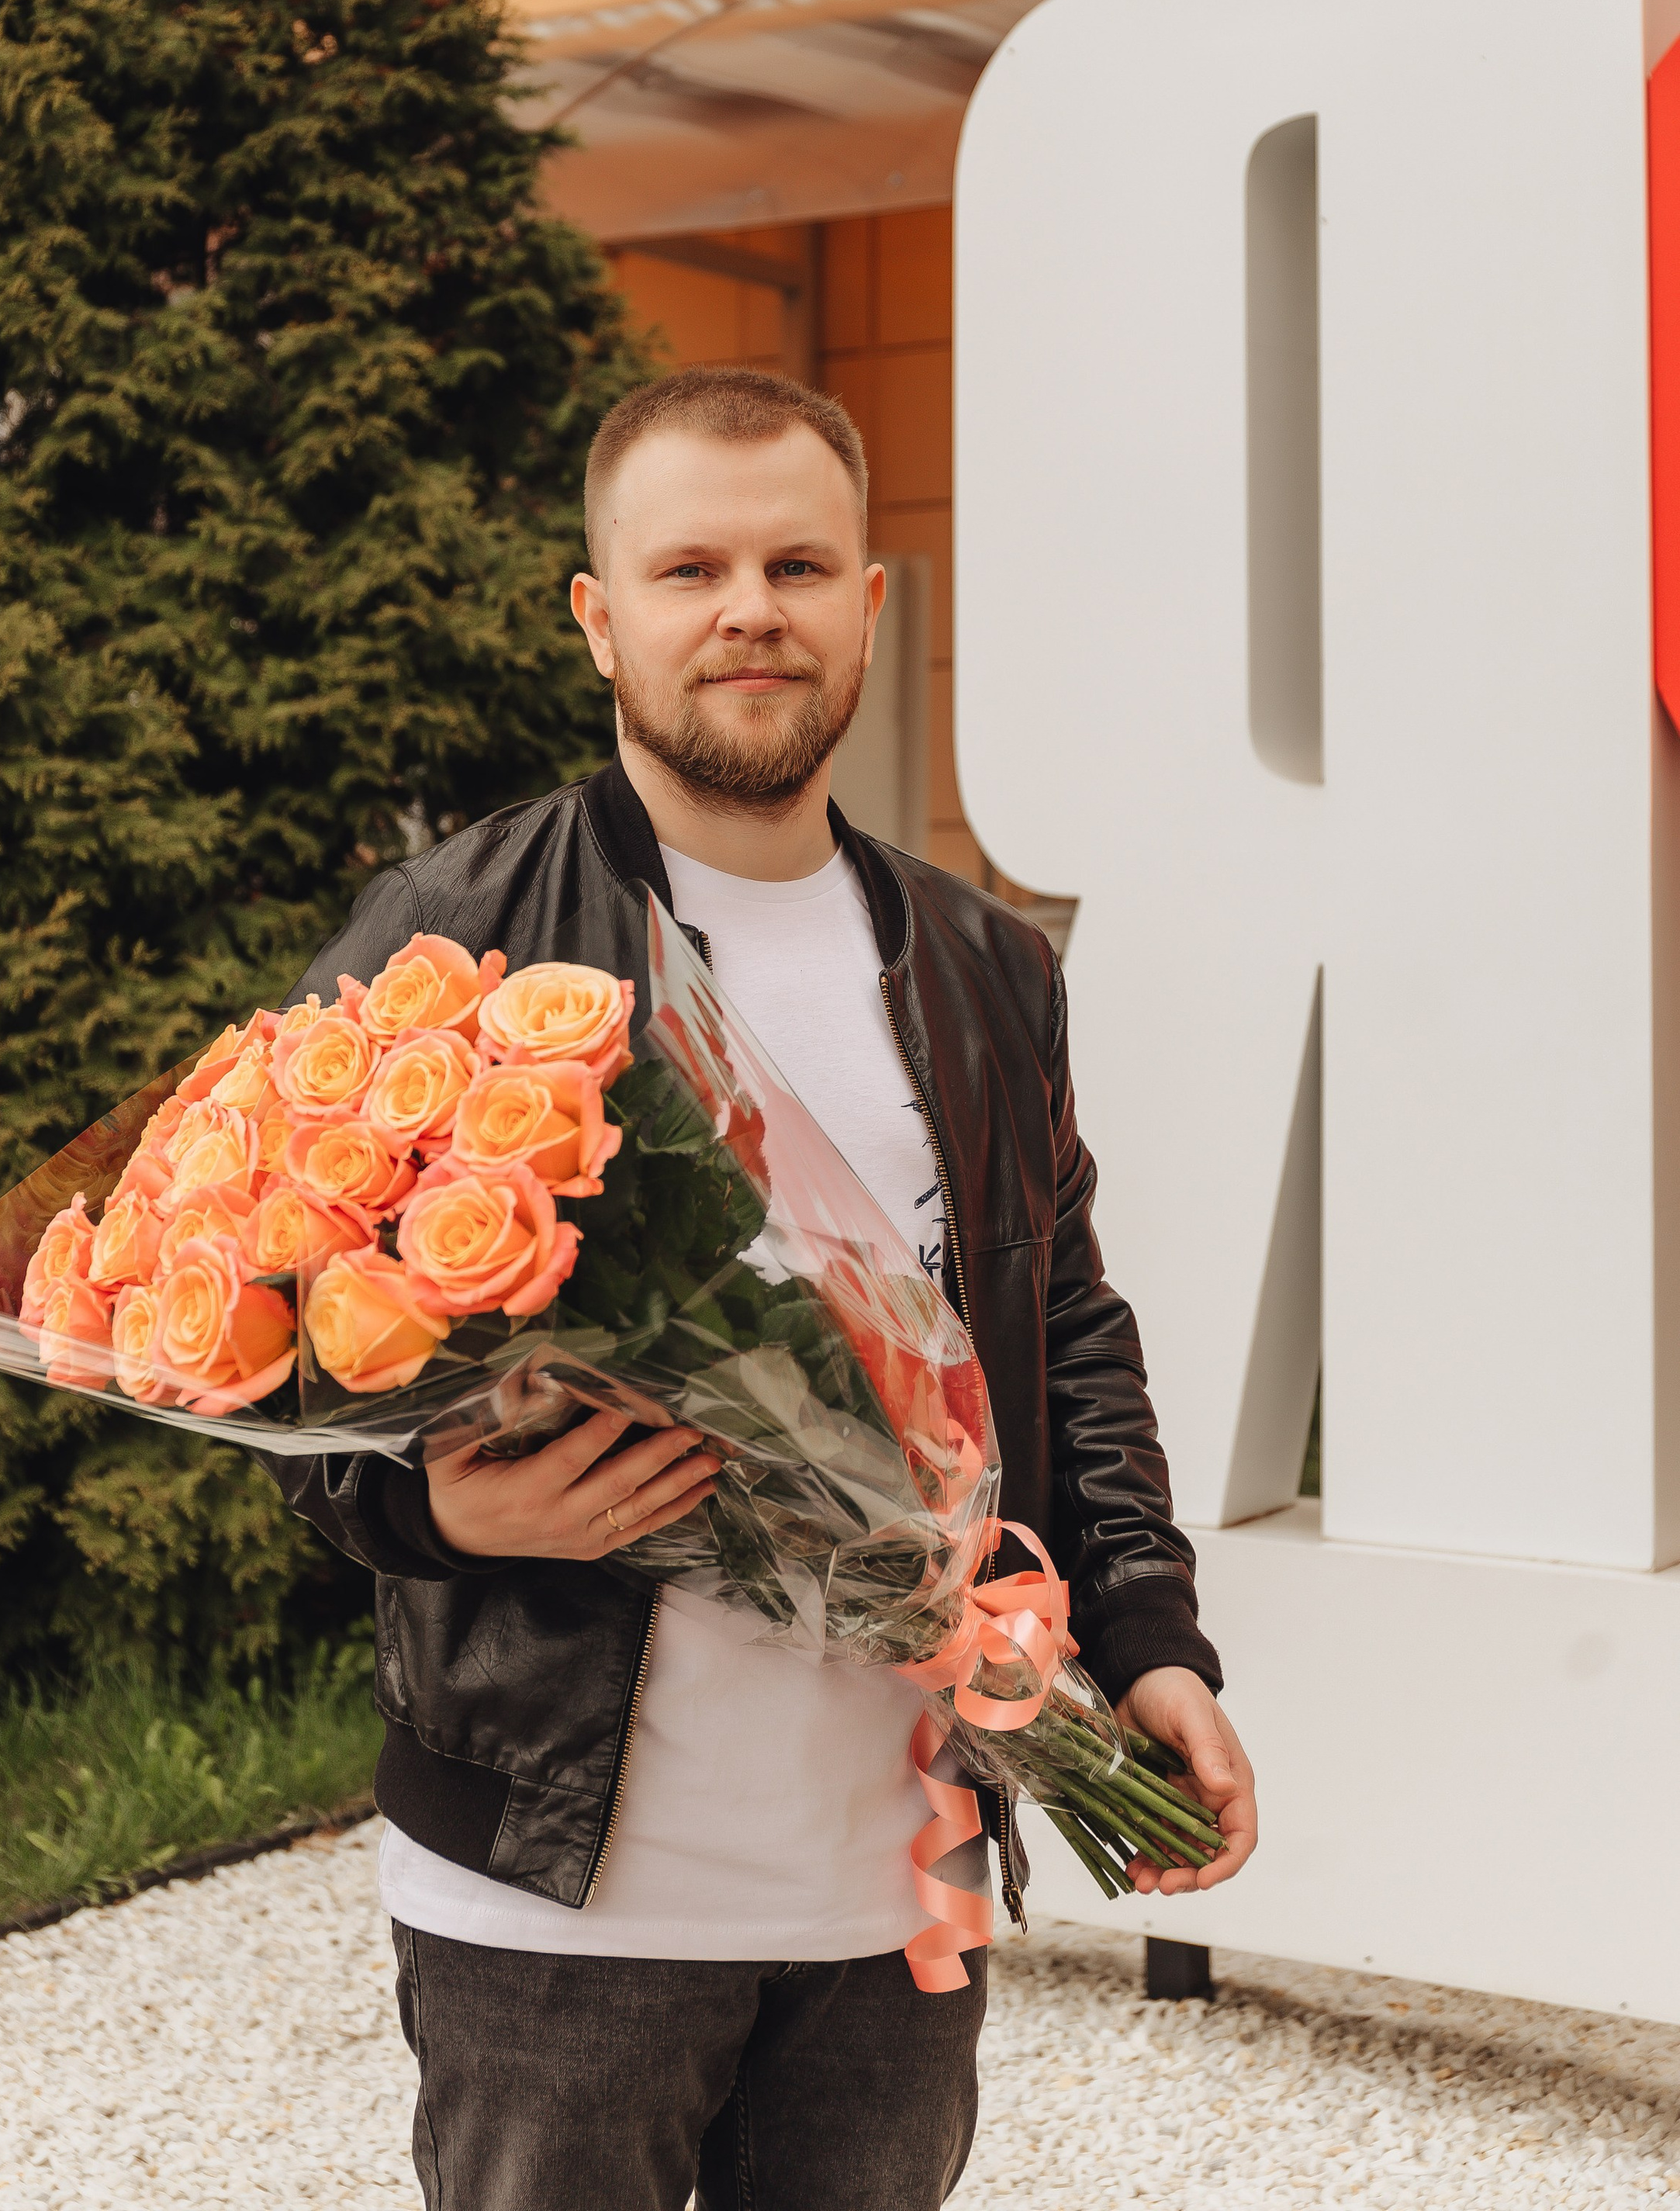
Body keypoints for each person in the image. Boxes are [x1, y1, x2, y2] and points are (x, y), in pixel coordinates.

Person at [271, 365, 1257, 2211]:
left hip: (902, 1868)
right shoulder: (453, 942)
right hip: (560, 1893)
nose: (747, 610)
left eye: (798, 565)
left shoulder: (981, 964)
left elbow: (1060, 1339)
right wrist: (427, 1506)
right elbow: (284, 1359)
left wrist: (1144, 1640)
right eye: (688, 568)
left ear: (867, 605)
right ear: (598, 617)